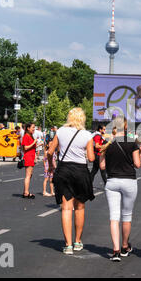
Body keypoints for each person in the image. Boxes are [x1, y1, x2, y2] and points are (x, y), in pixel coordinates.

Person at [48, 108, 95, 255]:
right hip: (80, 171)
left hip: (64, 170)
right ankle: (77, 241)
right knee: (79, 207)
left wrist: (51, 165)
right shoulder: (87, 135)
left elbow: (50, 152)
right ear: (82, 119)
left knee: (66, 208)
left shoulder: (60, 131)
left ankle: (67, 245)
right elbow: (91, 158)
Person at [99, 117, 141, 262]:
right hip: (129, 180)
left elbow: (102, 166)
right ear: (124, 127)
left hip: (112, 181)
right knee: (127, 215)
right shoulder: (131, 142)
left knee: (114, 216)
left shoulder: (107, 143)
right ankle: (125, 246)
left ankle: (115, 250)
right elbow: (137, 164)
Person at [21, 123, 37, 199]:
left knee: (30, 175)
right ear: (28, 128)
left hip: (31, 156)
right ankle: (26, 193)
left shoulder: (30, 136)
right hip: (28, 157)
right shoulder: (26, 136)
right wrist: (34, 142)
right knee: (28, 175)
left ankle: (25, 191)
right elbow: (25, 148)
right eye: (33, 127)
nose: (34, 129)